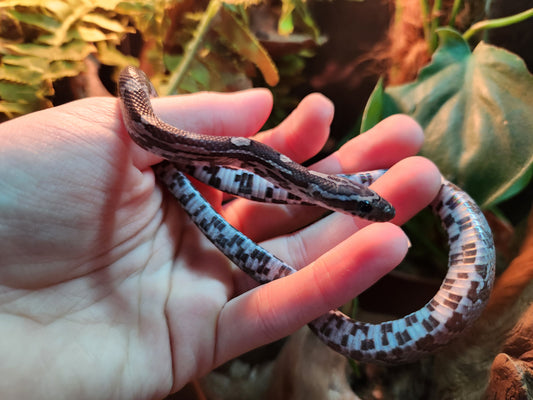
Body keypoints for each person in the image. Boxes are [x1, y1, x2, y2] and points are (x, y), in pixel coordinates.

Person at [0, 88, 440, 399]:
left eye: (363, 209)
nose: (369, 213)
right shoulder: (153, 126)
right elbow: (147, 125)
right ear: (343, 202)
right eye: (363, 209)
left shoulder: (280, 171)